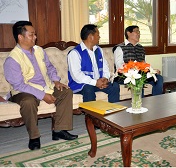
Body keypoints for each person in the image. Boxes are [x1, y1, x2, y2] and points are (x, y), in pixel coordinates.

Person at [4, 21, 78, 151]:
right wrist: (43, 95)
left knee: (66, 92)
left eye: (35, 34)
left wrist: (56, 81)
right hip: (23, 91)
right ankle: (34, 137)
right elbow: (19, 85)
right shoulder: (12, 59)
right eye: (31, 35)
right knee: (28, 102)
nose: (35, 37)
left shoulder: (39, 50)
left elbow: (50, 68)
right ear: (20, 37)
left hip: (46, 86)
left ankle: (59, 130)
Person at [67, 24, 120, 103]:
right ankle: (90, 115)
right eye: (98, 35)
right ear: (90, 37)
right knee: (89, 88)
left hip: (98, 82)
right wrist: (95, 82)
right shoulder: (75, 53)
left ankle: (113, 112)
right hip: (81, 85)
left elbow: (105, 67)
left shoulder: (98, 50)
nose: (99, 37)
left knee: (114, 86)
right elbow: (76, 75)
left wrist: (105, 78)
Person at [113, 25, 163, 96]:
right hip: (125, 76)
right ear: (128, 33)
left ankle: (156, 101)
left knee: (159, 78)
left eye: (139, 32)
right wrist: (133, 71)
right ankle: (139, 104)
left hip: (141, 75)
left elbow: (144, 64)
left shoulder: (141, 48)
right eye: (136, 31)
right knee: (138, 80)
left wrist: (152, 71)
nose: (139, 34)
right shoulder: (119, 48)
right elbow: (119, 66)